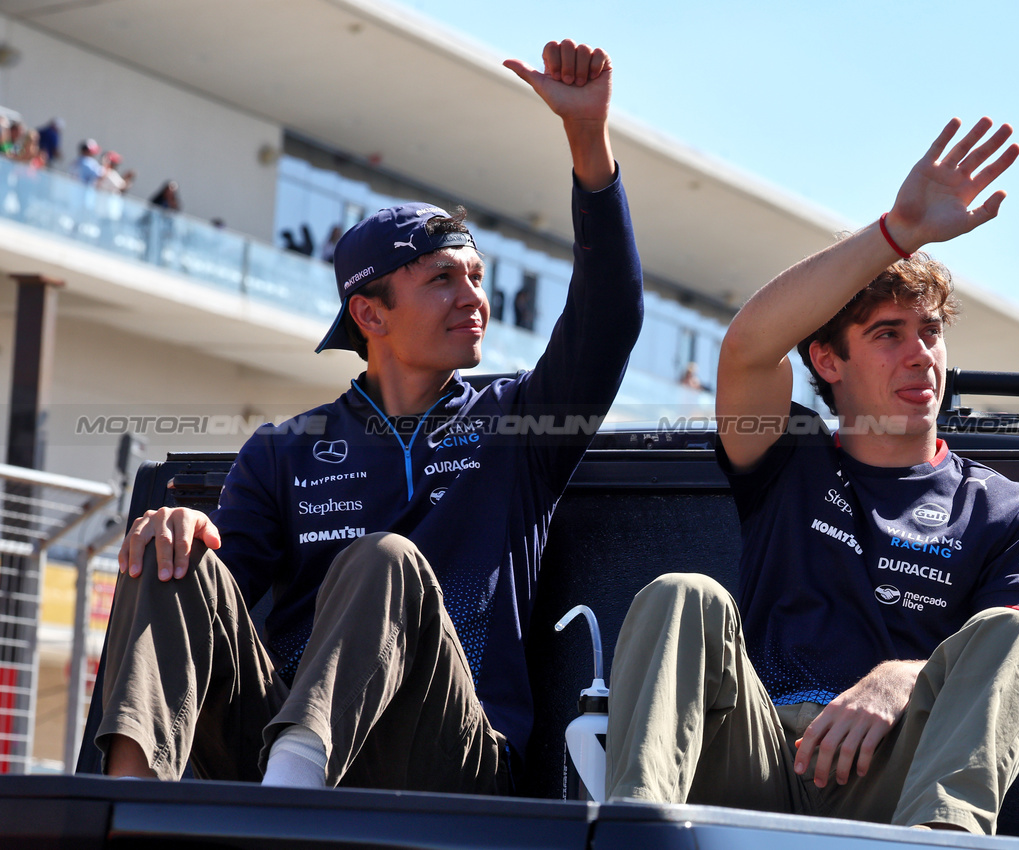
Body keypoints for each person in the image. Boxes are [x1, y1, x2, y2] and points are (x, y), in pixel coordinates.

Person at [97, 39, 642, 793]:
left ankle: (293, 803)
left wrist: (589, 144)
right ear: (369, 313)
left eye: (477, 279)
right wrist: (180, 531)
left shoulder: (522, 423)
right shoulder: (286, 450)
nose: (473, 300)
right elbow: (216, 599)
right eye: (443, 279)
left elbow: (611, 314)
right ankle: (122, 805)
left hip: (451, 755)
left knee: (385, 557)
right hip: (278, 736)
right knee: (168, 549)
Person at [605, 118, 1019, 834]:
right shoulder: (791, 455)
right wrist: (898, 229)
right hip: (753, 762)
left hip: (890, 779)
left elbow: (1014, 655)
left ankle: (938, 845)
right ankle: (637, 829)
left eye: (930, 332)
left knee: (1018, 633)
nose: (920, 356)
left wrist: (901, 678)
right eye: (888, 335)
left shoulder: (1005, 507)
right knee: (681, 595)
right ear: (826, 361)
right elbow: (750, 348)